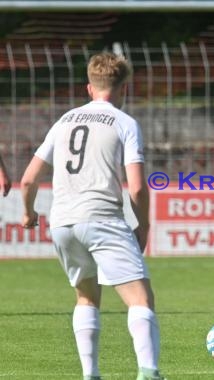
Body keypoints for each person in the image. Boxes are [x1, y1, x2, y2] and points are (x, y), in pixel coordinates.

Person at [20, 52, 165, 380]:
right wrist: (143, 226)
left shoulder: (64, 121)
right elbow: (139, 188)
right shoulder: (125, 122)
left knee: (86, 295)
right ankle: (149, 372)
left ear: (90, 87)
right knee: (140, 298)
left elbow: (28, 179)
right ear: (125, 88)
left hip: (62, 223)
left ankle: (91, 374)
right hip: (102, 219)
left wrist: (29, 213)